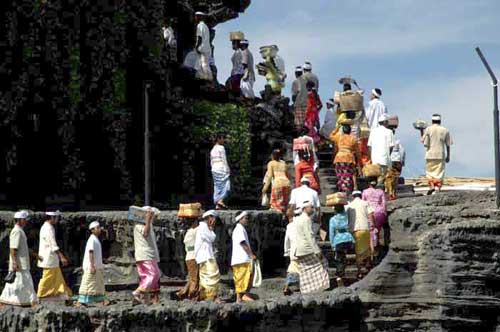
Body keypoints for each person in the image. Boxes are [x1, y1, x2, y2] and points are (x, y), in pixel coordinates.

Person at [0, 211, 39, 308]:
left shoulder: (20, 231)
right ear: (20, 220)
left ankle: (8, 300)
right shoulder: (16, 231)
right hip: (19, 264)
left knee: (17, 284)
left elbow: (23, 248)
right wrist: (14, 262)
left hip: (22, 264)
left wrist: (35, 255)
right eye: (24, 220)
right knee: (22, 283)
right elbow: (13, 248)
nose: (26, 221)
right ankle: (33, 302)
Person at [294, 201, 329, 294]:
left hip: (300, 249)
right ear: (304, 208)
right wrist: (317, 250)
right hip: (307, 249)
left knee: (305, 270)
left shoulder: (298, 219)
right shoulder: (306, 220)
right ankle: (320, 286)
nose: (313, 209)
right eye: (311, 207)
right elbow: (310, 236)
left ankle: (307, 289)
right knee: (323, 264)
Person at [37, 211, 72, 301]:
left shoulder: (47, 227)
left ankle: (60, 293)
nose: (57, 219)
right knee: (47, 277)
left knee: (57, 277)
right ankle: (40, 294)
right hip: (49, 258)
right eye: (56, 218)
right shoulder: (48, 228)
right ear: (52, 218)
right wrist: (62, 256)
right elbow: (53, 244)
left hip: (51, 259)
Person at [132, 208, 161, 304]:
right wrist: (148, 220)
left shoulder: (149, 225)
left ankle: (146, 301)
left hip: (148, 255)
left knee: (146, 277)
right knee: (154, 274)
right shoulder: (139, 225)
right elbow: (145, 233)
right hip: (145, 255)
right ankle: (137, 292)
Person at [78, 221, 107, 306]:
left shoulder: (96, 239)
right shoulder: (92, 240)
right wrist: (92, 265)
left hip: (97, 266)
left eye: (99, 227)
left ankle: (100, 300)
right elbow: (91, 252)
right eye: (97, 228)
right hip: (91, 266)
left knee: (98, 284)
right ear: (92, 230)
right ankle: (82, 301)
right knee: (88, 283)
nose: (99, 229)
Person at [347, 191, 375, 279]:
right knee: (367, 249)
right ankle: (368, 267)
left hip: (355, 230)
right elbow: (371, 214)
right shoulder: (365, 203)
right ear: (361, 195)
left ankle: (359, 271)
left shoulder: (349, 205)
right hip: (365, 228)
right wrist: (372, 224)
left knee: (358, 252)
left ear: (353, 196)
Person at [421, 114, 452, 195]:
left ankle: (432, 186)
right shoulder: (445, 130)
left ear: (432, 121)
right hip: (440, 154)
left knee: (430, 172)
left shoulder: (428, 129)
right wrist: (448, 155)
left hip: (430, 154)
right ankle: (438, 188)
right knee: (439, 172)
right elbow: (448, 144)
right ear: (440, 121)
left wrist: (421, 131)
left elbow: (425, 143)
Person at [195, 210, 221, 302]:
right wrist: (211, 227)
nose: (214, 221)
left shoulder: (204, 227)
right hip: (205, 256)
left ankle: (205, 296)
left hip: (206, 255)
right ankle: (213, 297)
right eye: (213, 218)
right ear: (209, 218)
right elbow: (212, 238)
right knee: (213, 275)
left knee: (206, 277)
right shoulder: (203, 227)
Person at [329, 197, 355, 287]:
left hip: (338, 240)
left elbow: (331, 233)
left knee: (339, 258)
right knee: (344, 257)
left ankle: (340, 276)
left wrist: (332, 244)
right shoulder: (346, 216)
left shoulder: (333, 220)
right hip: (348, 239)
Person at [231, 211, 256, 303]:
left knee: (244, 277)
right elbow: (242, 243)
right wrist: (250, 254)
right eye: (245, 218)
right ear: (240, 219)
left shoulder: (241, 229)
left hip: (242, 259)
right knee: (242, 278)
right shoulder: (239, 229)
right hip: (241, 258)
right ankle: (243, 296)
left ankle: (241, 297)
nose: (247, 220)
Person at [331, 123, 361, 193]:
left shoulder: (338, 137)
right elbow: (357, 152)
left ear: (343, 131)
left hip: (339, 158)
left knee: (340, 174)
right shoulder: (353, 139)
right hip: (349, 158)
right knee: (352, 173)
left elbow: (331, 136)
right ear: (350, 131)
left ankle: (341, 187)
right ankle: (355, 187)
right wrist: (360, 163)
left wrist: (337, 127)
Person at [368, 114, 395, 186]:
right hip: (384, 158)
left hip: (375, 158)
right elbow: (391, 146)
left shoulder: (373, 131)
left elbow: (369, 146)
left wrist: (371, 156)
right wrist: (388, 155)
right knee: (383, 177)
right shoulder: (389, 131)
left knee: (376, 175)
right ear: (385, 122)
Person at [262, 149, 292, 215]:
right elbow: (288, 175)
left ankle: (279, 218)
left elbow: (269, 176)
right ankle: (285, 216)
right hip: (287, 184)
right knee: (284, 203)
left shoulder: (271, 163)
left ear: (272, 156)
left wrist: (265, 188)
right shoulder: (283, 163)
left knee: (275, 205)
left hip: (278, 183)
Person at [176, 217, 200, 300]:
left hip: (189, 257)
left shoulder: (188, 232)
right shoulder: (195, 231)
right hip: (194, 257)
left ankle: (183, 293)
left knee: (192, 278)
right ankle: (192, 296)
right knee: (195, 279)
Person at [362, 181, 387, 254]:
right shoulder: (380, 191)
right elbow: (383, 203)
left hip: (369, 212)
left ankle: (372, 248)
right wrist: (384, 212)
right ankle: (377, 246)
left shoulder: (365, 191)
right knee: (377, 231)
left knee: (371, 231)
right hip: (379, 211)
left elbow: (364, 202)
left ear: (369, 184)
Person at [283, 207, 301, 296]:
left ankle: (288, 286)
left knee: (293, 268)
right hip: (303, 250)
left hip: (293, 251)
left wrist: (286, 251)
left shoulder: (289, 226)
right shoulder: (303, 224)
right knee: (300, 268)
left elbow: (286, 240)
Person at [210, 133, 230, 209]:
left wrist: (213, 169)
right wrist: (227, 169)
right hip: (221, 167)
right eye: (222, 138)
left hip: (214, 168)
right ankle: (220, 200)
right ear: (218, 139)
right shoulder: (221, 148)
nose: (223, 140)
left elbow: (211, 161)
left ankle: (218, 204)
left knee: (217, 186)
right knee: (226, 185)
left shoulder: (212, 149)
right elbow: (224, 159)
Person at [194, 12, 213, 81]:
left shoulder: (200, 25)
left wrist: (196, 47)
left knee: (204, 65)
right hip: (207, 48)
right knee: (202, 64)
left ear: (200, 17)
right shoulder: (205, 26)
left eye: (196, 16)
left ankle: (209, 79)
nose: (195, 18)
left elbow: (199, 38)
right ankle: (204, 78)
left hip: (202, 48)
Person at [292, 66, 308, 133]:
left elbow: (294, 95)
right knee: (305, 123)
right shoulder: (306, 81)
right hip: (307, 105)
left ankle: (299, 137)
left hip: (299, 104)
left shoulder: (296, 82)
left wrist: (293, 102)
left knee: (298, 124)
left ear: (296, 73)